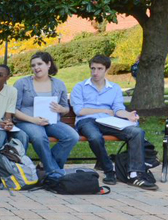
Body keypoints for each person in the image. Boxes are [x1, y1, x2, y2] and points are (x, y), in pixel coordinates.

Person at [71, 55, 157, 190]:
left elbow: (118, 109)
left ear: (107, 69)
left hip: (108, 122)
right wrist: (105, 110)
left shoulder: (114, 88)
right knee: (94, 137)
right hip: (86, 121)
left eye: (99, 69)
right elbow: (79, 110)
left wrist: (128, 115)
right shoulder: (80, 87)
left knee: (136, 132)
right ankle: (109, 170)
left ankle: (135, 174)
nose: (95, 72)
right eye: (93, 68)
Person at [13, 51, 79, 175]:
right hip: (27, 121)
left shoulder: (59, 84)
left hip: (51, 121)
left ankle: (46, 165)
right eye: (33, 65)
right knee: (39, 137)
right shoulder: (22, 83)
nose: (36, 68)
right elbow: (13, 110)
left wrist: (61, 109)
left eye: (39, 64)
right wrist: (34, 120)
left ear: (48, 64)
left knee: (72, 136)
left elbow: (66, 108)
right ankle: (53, 171)